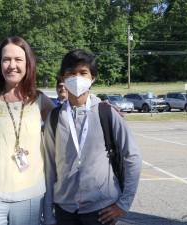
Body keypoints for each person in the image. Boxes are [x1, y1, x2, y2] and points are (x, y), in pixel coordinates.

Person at [43, 49, 142, 225]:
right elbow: (49, 167)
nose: (77, 78)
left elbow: (132, 156)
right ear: (63, 78)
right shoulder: (54, 118)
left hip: (101, 209)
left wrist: (123, 204)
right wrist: (48, 213)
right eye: (71, 73)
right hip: (64, 210)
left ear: (93, 77)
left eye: (83, 73)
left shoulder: (107, 113)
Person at [0, 36, 54, 225]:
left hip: (30, 196)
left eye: (18, 59)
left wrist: (99, 105)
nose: (12, 65)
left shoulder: (39, 100)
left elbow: (67, 121)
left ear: (28, 64)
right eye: (6, 59)